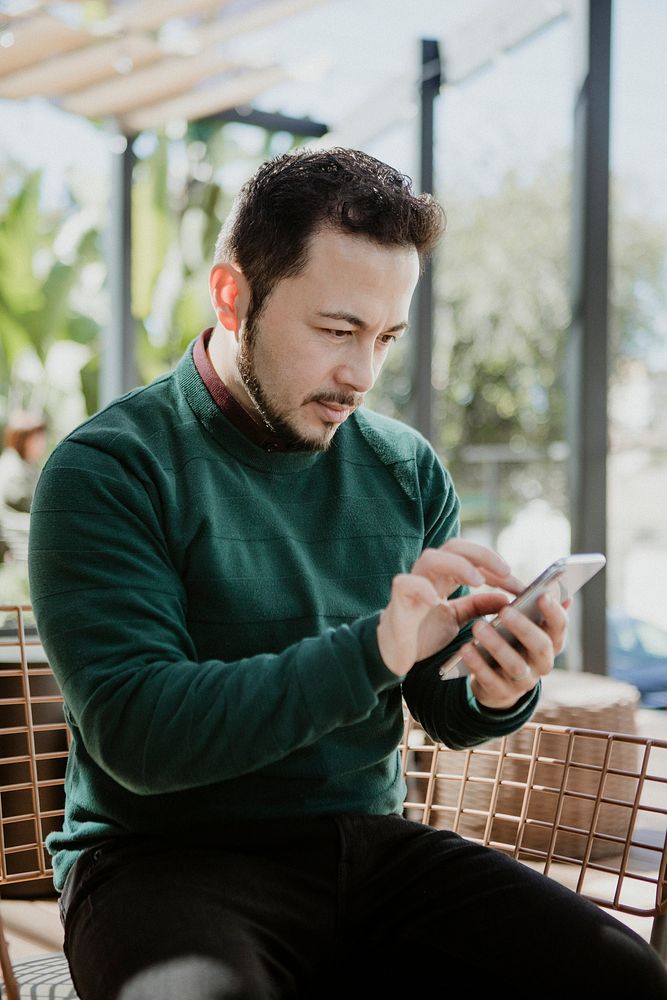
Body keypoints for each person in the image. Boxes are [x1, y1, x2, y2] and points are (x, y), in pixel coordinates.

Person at [28, 148, 667, 1000]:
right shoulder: (107, 470)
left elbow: (443, 706)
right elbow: (143, 740)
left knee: (618, 977)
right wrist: (370, 650)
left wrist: (496, 682)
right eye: (336, 331)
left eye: (384, 338)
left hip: (364, 847)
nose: (361, 375)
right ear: (234, 296)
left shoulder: (404, 470)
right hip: (158, 860)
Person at [0, 410, 47, 565]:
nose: (42, 443)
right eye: (37, 438)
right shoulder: (13, 469)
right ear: (22, 439)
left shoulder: (28, 466)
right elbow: (33, 506)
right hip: (17, 543)